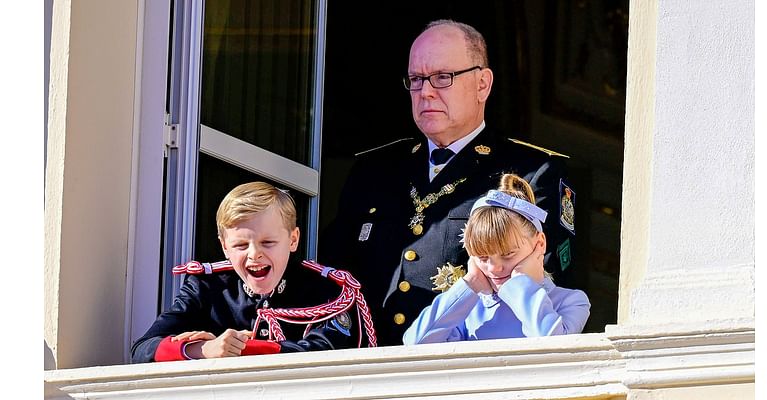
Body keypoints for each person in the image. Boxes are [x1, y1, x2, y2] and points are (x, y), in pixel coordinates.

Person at [319, 19, 578, 345]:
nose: (425, 91)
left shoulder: (531, 173)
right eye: (416, 79)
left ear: (482, 84)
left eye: (443, 78)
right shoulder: (374, 171)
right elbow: (331, 277)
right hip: (365, 368)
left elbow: (547, 283)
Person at [131, 182, 357, 362]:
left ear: (293, 239)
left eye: (268, 242)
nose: (254, 254)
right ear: (224, 247)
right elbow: (143, 350)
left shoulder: (326, 290)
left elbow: (329, 353)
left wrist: (244, 349)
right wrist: (203, 349)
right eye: (240, 245)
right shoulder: (207, 287)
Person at [403, 174, 590, 344]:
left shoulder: (570, 301)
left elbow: (553, 346)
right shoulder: (467, 307)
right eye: (483, 257)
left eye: (508, 254)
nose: (494, 268)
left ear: (539, 244)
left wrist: (520, 285)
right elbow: (415, 345)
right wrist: (470, 284)